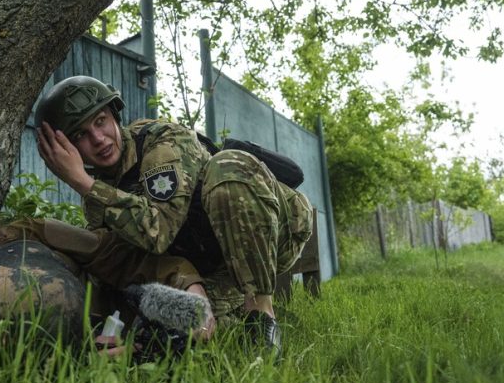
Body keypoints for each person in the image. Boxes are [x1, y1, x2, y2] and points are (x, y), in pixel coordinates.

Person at [32, 75, 314, 353]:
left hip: (279, 229)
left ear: (115, 115)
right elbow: (123, 263)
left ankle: (261, 316)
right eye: (81, 135)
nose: (98, 138)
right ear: (66, 149)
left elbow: (158, 232)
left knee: (228, 166)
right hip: (217, 263)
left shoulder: (161, 142)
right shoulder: (99, 195)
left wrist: (81, 182)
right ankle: (236, 313)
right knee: (186, 323)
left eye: (100, 121)